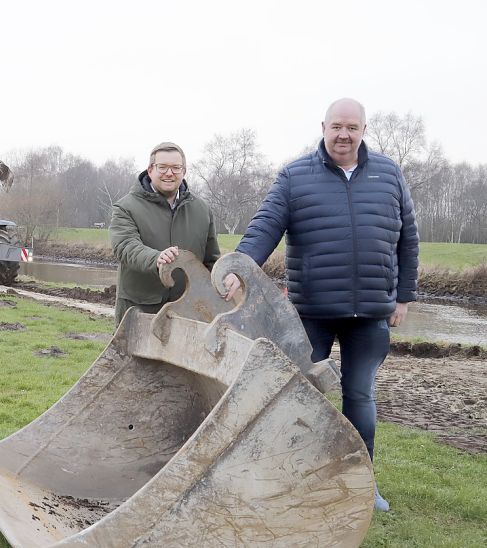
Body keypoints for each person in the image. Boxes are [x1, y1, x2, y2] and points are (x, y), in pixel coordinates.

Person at [223, 98, 419, 512]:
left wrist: (403, 297)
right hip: (310, 313)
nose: (344, 134)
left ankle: (362, 482)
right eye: (336, 126)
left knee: (360, 396)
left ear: (364, 128)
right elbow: (265, 225)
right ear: (323, 127)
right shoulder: (295, 176)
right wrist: (239, 268)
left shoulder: (389, 174)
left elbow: (408, 239)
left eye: (352, 127)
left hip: (370, 313)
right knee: (297, 393)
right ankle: (286, 476)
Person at [109, 142, 220, 325]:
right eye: (163, 167)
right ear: (150, 169)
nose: (169, 173)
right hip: (140, 311)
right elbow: (125, 247)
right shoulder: (126, 207)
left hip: (188, 313)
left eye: (176, 168)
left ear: (184, 171)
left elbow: (211, 260)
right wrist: (157, 259)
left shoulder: (202, 210)